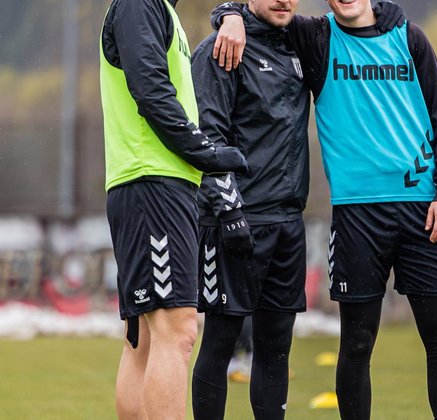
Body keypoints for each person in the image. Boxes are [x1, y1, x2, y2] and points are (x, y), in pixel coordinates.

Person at [214, 0, 437, 418]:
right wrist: (229, 15)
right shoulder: (316, 37)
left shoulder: (410, 38)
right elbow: (262, 11)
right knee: (357, 343)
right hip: (356, 216)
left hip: (424, 211)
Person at [190, 1, 404, 419]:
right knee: (220, 341)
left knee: (276, 348)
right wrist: (228, 209)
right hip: (235, 218)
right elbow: (206, 135)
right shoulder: (223, 47)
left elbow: (355, 19)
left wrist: (387, 12)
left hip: (288, 223)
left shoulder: (300, 44)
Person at [99, 0, 248, 418]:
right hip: (152, 184)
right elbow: (151, 92)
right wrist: (207, 153)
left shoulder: (161, 9)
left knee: (144, 341)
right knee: (176, 332)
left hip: (157, 184)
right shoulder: (140, 4)